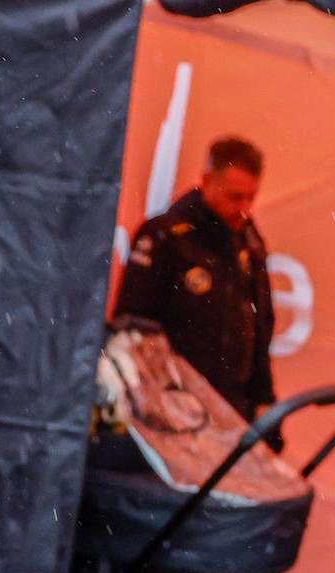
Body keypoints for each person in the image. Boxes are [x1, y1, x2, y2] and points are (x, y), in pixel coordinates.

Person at [114, 136, 276, 423]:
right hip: (173, 408)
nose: (245, 209)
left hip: (232, 408)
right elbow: (133, 326)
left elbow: (261, 328)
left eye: (251, 197)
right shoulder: (166, 236)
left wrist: (264, 403)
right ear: (207, 181)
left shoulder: (250, 244)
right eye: (235, 197)